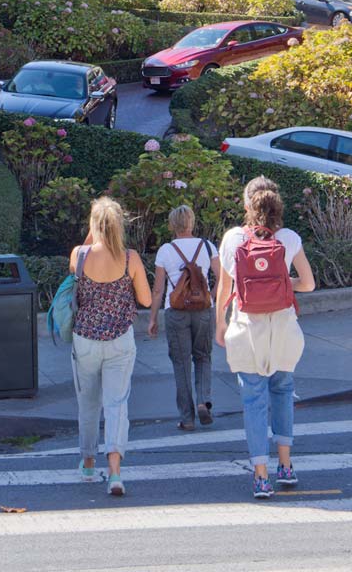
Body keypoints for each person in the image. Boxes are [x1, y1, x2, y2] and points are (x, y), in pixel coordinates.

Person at [215, 177, 316, 499]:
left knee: (254, 399)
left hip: (247, 328)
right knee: (283, 391)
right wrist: (283, 283)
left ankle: (261, 476)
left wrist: (220, 323)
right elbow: (309, 284)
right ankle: (286, 466)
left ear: (247, 205)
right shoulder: (288, 239)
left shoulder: (232, 239)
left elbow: (225, 288)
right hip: (283, 327)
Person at [69, 197, 152, 497]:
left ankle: (88, 463)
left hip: (85, 339)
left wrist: (92, 237)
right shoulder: (131, 259)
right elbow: (145, 300)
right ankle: (115, 472)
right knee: (117, 404)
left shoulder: (79, 254)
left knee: (87, 404)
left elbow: (75, 278)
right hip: (120, 339)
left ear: (93, 225)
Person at [148, 205, 220, 430]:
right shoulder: (207, 247)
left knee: (181, 363)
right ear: (192, 222)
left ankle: (187, 418)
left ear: (172, 225)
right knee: (203, 357)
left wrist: (152, 319)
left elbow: (158, 290)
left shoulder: (165, 251)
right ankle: (203, 401)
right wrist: (211, 297)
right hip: (203, 311)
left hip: (176, 311)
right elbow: (223, 277)